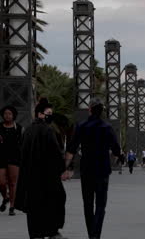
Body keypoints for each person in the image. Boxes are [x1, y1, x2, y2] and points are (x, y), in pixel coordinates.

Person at [65, 98, 123, 239]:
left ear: (89, 109)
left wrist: (65, 166)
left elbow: (71, 148)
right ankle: (96, 235)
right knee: (101, 205)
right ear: (102, 111)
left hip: (86, 169)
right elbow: (116, 149)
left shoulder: (81, 126)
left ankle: (91, 234)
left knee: (88, 204)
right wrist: (117, 158)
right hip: (102, 170)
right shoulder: (107, 127)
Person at [15, 101, 68, 239]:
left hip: (30, 176)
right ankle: (51, 231)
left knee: (33, 206)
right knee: (54, 201)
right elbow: (55, 153)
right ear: (39, 114)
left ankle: (35, 233)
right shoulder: (48, 130)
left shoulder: (27, 130)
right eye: (48, 114)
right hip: (47, 176)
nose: (50, 116)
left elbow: (21, 152)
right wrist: (62, 169)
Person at [0, 106, 23, 216]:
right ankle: (6, 197)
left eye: (9, 113)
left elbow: (23, 144)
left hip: (14, 157)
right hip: (1, 157)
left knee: (13, 183)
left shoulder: (19, 128)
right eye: (5, 113)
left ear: (14, 115)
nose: (7, 115)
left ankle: (12, 206)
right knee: (2, 182)